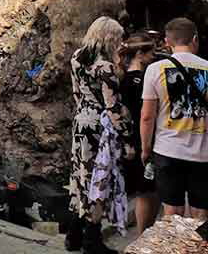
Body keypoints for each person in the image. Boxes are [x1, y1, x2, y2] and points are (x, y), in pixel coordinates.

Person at [66, 16, 132, 254]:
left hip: (81, 121)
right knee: (99, 181)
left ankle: (73, 234)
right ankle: (92, 240)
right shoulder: (105, 67)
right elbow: (112, 107)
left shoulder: (77, 57)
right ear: (109, 37)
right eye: (118, 37)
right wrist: (126, 136)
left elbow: (76, 92)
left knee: (80, 177)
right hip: (99, 129)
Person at [140, 17, 208, 223]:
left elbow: (147, 116)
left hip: (167, 151)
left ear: (168, 43)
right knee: (201, 214)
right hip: (203, 153)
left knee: (171, 211)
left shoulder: (154, 69)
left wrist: (145, 149)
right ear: (194, 39)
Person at [120, 33, 158, 233]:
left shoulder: (125, 78)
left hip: (134, 136)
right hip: (141, 137)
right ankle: (144, 233)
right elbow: (143, 113)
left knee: (147, 188)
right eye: (151, 52)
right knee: (146, 188)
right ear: (140, 54)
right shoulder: (139, 80)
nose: (153, 56)